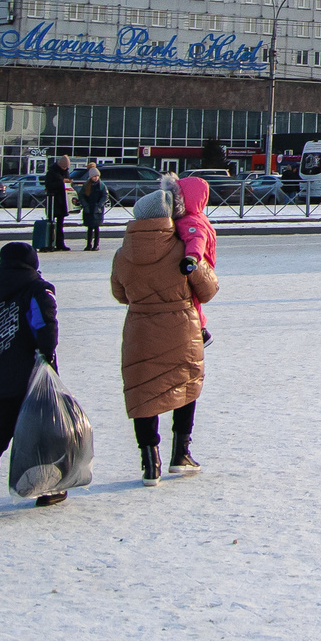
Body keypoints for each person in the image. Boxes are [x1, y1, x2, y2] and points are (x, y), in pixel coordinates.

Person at [112, 183, 218, 482]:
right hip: (181, 329)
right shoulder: (181, 249)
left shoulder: (122, 254)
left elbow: (120, 294)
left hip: (139, 330)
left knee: (142, 392)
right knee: (184, 385)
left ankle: (150, 463)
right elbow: (208, 289)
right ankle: (180, 454)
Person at [0, 241, 62, 519]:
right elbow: (45, 328)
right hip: (32, 377)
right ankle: (46, 489)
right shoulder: (37, 290)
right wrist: (47, 361)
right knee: (43, 434)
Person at [173, 175, 218, 344]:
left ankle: (201, 330)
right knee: (192, 298)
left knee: (191, 298)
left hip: (197, 264)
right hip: (201, 263)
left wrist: (191, 258)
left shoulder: (190, 221)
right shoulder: (197, 217)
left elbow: (196, 240)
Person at [76, 164, 108, 253]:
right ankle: (88, 245)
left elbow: (105, 196)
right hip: (89, 208)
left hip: (97, 209)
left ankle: (96, 245)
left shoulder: (101, 185)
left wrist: (99, 205)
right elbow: (82, 196)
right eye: (94, 176)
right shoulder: (86, 185)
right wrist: (85, 205)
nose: (96, 178)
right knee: (89, 228)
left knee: (96, 228)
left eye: (97, 176)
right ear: (90, 177)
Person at [43, 153, 71, 250]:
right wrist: (61, 182)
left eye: (66, 167)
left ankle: (60, 244)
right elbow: (49, 185)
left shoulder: (65, 172)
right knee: (51, 223)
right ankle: (49, 243)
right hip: (53, 200)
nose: (64, 168)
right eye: (63, 167)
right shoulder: (51, 172)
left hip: (62, 201)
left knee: (60, 225)